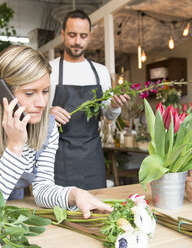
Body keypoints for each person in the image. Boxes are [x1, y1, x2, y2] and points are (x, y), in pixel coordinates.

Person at [0, 45, 113, 218]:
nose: (41, 102)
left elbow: (42, 189)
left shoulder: (47, 128)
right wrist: (15, 146)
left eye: (45, 91)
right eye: (30, 93)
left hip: (9, 214)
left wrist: (75, 194)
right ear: (2, 92)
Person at [49, 9, 130, 190]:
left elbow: (107, 116)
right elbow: (34, 114)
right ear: (62, 35)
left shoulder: (100, 72)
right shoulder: (49, 70)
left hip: (92, 156)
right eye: (72, 35)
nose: (77, 41)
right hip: (58, 157)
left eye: (83, 36)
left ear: (90, 36)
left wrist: (115, 106)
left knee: (95, 211)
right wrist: (48, 113)